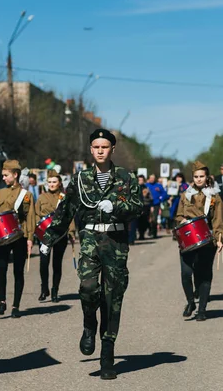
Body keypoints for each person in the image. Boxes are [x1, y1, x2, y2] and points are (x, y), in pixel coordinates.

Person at [41, 129, 142, 380]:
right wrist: (48, 239)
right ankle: (89, 323)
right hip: (89, 239)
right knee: (87, 288)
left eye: (104, 147)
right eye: (96, 146)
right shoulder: (80, 179)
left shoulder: (126, 177)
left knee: (112, 298)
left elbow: (138, 207)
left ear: (112, 150)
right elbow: (66, 210)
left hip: (116, 242)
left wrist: (117, 206)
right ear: (90, 149)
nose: (100, 151)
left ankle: (107, 357)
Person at [175, 161, 223, 321]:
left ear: (207, 177)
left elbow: (219, 218)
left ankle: (202, 310)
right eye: (196, 177)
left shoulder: (214, 196)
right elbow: (178, 215)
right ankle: (191, 302)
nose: (199, 179)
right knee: (186, 274)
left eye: (201, 176)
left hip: (207, 239)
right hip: (188, 238)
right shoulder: (185, 195)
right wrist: (182, 220)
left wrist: (219, 237)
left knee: (204, 274)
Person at [0, 160, 36, 318]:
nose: (3, 178)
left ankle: (16, 305)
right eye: (3, 175)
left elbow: (30, 217)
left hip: (20, 236)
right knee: (1, 268)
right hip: (3, 238)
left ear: (15, 175)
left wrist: (30, 238)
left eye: (6, 175)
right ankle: (2, 301)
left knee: (18, 271)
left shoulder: (26, 195)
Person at [35, 170, 75, 302]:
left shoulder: (64, 197)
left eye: (54, 182)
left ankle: (54, 290)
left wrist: (71, 232)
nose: (51, 184)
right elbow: (36, 214)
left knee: (57, 263)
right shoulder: (41, 198)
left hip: (60, 234)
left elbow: (69, 215)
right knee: (43, 263)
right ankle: (44, 288)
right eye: (50, 182)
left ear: (59, 183)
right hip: (45, 234)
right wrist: (35, 228)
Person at [146, 174, 168, 239]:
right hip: (147, 204)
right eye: (151, 178)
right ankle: (149, 230)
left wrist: (161, 198)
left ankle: (154, 233)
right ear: (149, 178)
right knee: (148, 219)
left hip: (156, 204)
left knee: (155, 219)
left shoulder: (158, 186)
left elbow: (164, 194)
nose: (152, 179)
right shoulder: (146, 185)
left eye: (153, 178)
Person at [137, 176, 153, 241]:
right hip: (138, 206)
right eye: (139, 180)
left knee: (144, 221)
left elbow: (151, 198)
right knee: (138, 221)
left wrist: (146, 195)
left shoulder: (146, 188)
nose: (140, 181)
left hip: (145, 206)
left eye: (142, 180)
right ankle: (139, 234)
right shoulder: (135, 187)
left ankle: (142, 234)